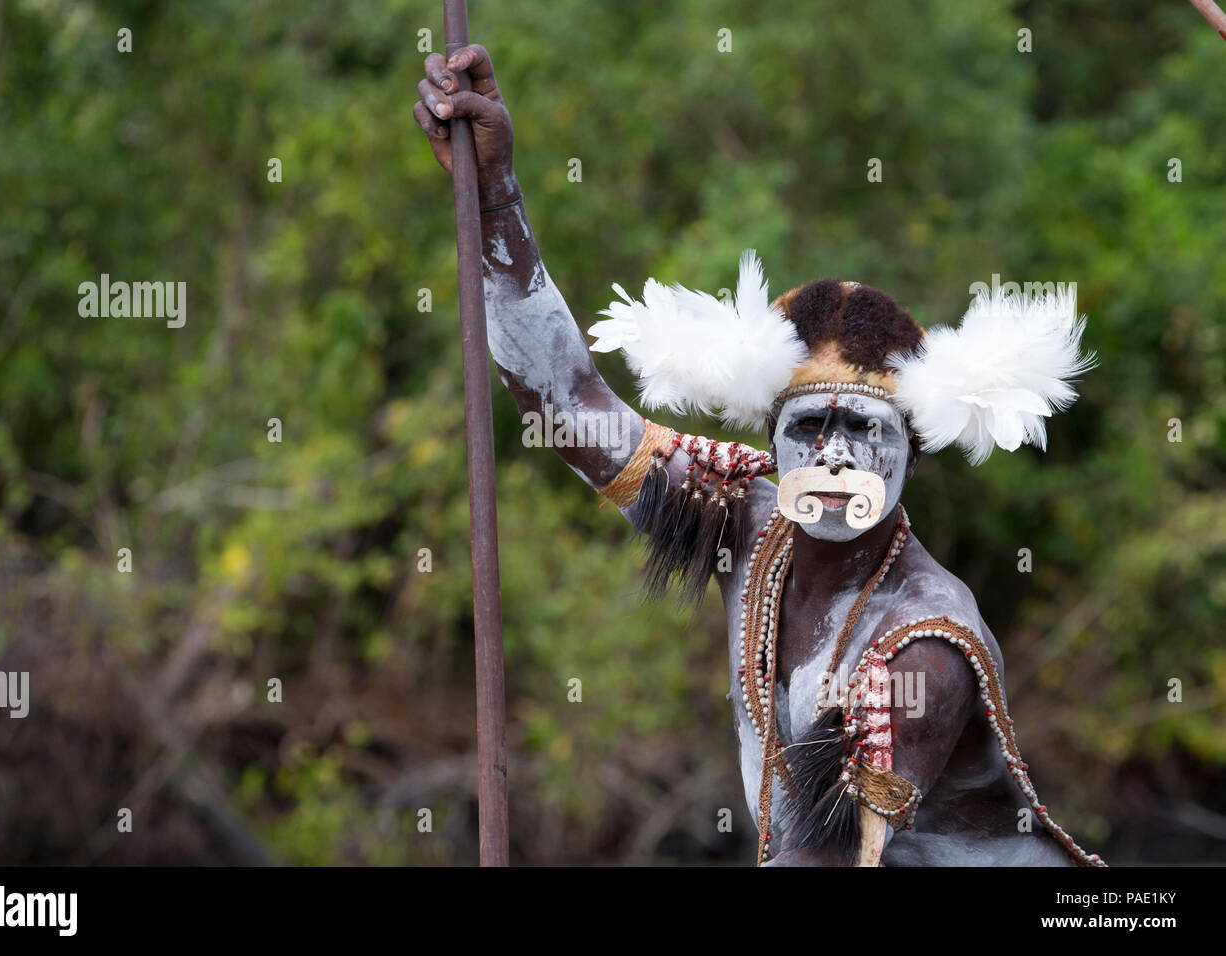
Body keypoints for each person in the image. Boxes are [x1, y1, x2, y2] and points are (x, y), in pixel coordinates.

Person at [413, 44, 1102, 866]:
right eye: (812, 429)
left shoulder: (923, 646)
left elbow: (821, 858)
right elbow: (570, 408)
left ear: (912, 455)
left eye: (866, 433)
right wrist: (495, 194)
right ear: (769, 443)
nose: (839, 458)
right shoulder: (747, 521)